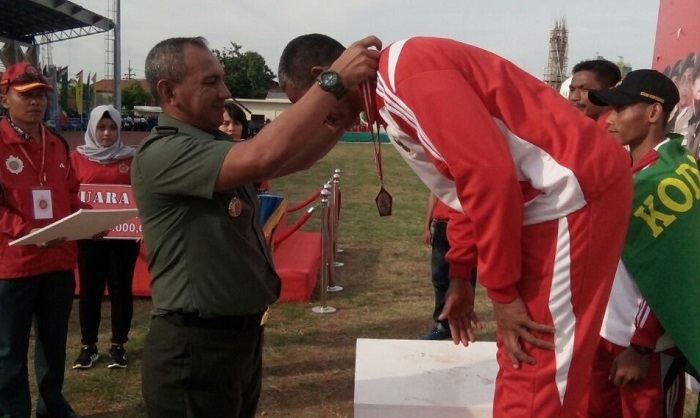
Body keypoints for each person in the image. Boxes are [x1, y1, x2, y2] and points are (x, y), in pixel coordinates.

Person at [278, 34, 633, 417]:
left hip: (571, 192)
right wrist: (461, 275)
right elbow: (462, 187)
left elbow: (488, 176)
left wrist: (500, 292)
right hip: (554, 196)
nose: (321, 118)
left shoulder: (402, 77)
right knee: (527, 354)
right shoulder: (392, 88)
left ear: (323, 75)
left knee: (534, 359)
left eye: (313, 106)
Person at [132, 36, 380, 418]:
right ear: (169, 91)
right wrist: (331, 82)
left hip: (236, 341)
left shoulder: (207, 143)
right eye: (210, 82)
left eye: (222, 80)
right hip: (195, 349)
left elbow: (291, 159)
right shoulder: (164, 151)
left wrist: (344, 116)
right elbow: (264, 155)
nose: (225, 92)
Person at [582, 69, 700, 417]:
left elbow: (676, 267)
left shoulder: (673, 178)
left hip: (647, 348)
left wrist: (642, 346)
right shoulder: (628, 168)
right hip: (606, 332)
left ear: (653, 113)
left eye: (621, 109)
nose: (610, 119)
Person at [0, 62, 84, 418]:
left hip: (59, 261)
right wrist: (24, 231)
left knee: (53, 344)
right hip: (14, 265)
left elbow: (71, 192)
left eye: (41, 95)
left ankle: (52, 404)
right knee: (9, 350)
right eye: (26, 95)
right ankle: (10, 411)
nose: (36, 102)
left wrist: (88, 218)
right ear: (5, 98)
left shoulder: (57, 143)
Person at [70, 105, 140, 370]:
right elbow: (69, 193)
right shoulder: (76, 158)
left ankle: (118, 346)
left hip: (124, 238)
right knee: (90, 290)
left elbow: (141, 193)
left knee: (121, 289)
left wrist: (140, 225)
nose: (107, 133)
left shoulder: (131, 158)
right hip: (89, 237)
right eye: (101, 127)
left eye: (112, 127)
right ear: (91, 128)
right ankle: (88, 347)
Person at [420, 192, 476, 340]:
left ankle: (462, 320)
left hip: (465, 226)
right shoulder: (443, 171)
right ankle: (443, 324)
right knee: (439, 277)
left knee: (465, 277)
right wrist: (427, 226)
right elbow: (433, 193)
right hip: (442, 226)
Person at [219, 101, 269, 193]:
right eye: (225, 123)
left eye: (236, 123)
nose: (231, 128)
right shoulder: (207, 152)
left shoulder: (253, 153)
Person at [568, 59, 622, 127]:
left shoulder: (616, 131)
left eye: (584, 89)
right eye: (572, 90)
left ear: (609, 92)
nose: (574, 97)